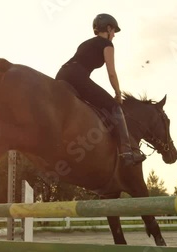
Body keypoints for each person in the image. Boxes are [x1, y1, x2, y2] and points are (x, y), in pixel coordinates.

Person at [55, 13, 146, 166]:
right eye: (114, 32)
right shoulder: (107, 45)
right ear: (109, 28)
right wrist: (118, 94)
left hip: (62, 74)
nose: (114, 36)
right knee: (115, 107)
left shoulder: (85, 43)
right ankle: (127, 152)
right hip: (77, 77)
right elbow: (111, 73)